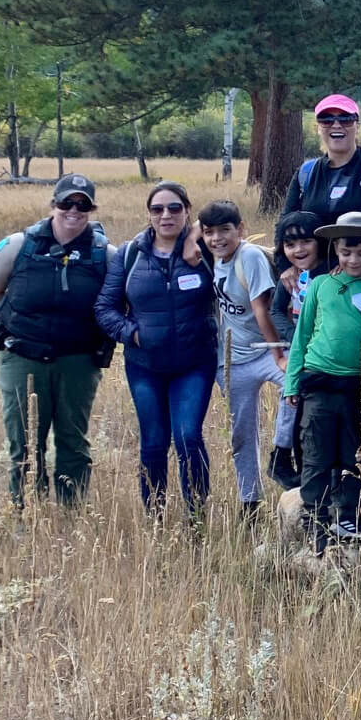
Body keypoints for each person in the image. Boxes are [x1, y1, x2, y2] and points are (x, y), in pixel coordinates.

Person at [0, 172, 115, 508]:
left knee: (72, 441)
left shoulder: (105, 254)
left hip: (78, 362)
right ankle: (27, 515)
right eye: (66, 202)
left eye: (82, 204)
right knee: (24, 441)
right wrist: (19, 326)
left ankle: (71, 514)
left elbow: (118, 301)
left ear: (91, 209)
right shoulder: (18, 245)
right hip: (23, 357)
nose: (74, 210)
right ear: (53, 204)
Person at [95, 181, 218, 514]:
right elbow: (105, 307)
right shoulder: (130, 254)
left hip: (195, 363)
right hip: (145, 366)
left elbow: (229, 218)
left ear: (188, 211)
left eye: (175, 208)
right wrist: (132, 333)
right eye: (157, 209)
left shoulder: (205, 249)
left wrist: (195, 233)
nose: (166, 215)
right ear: (149, 214)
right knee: (153, 442)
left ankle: (196, 515)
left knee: (188, 437)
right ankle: (155, 513)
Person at [283, 211, 361, 552]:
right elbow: (302, 337)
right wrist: (293, 382)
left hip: (359, 387)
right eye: (346, 253)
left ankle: (347, 512)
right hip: (319, 381)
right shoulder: (320, 286)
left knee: (356, 451)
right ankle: (315, 513)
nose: (354, 260)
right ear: (335, 248)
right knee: (316, 451)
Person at [197, 201, 286, 521]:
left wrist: (278, 353)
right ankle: (250, 501)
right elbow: (196, 232)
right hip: (232, 360)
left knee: (295, 390)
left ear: (241, 229)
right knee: (241, 432)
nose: (217, 238)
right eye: (210, 233)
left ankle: (284, 452)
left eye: (225, 230)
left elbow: (261, 309)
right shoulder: (211, 252)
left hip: (266, 350)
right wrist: (203, 233)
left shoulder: (248, 256)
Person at [283, 93, 361, 276]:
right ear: (318, 127)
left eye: (346, 119)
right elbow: (286, 223)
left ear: (357, 125)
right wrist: (286, 266)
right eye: (326, 119)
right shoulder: (306, 173)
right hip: (313, 276)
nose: (336, 124)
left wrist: (349, 259)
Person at [267, 210, 328, 488]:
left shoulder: (331, 275)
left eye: (306, 242)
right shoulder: (290, 279)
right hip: (299, 351)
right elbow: (276, 311)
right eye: (290, 245)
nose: (298, 250)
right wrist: (295, 337)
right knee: (290, 399)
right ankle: (281, 455)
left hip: (327, 353)